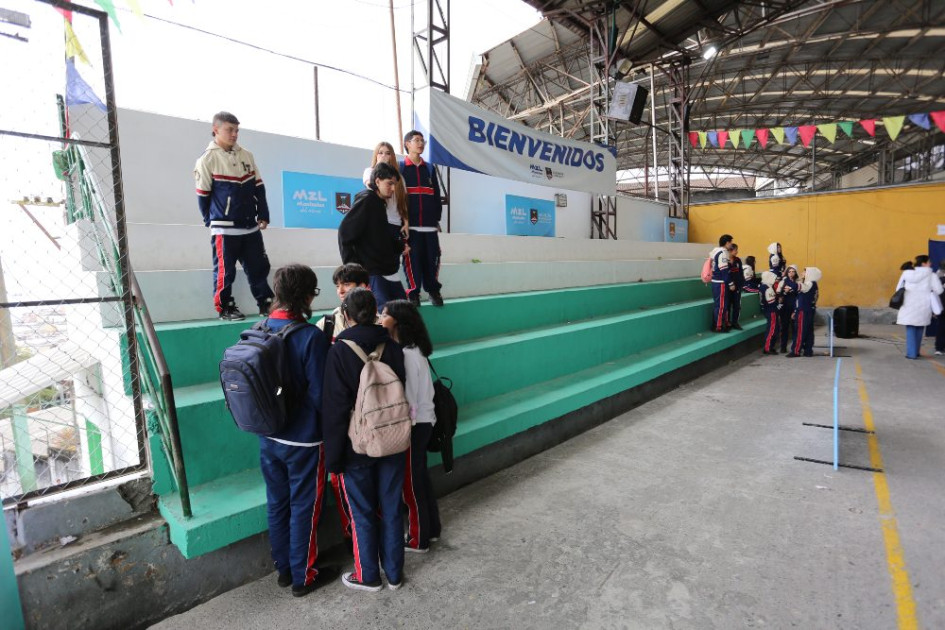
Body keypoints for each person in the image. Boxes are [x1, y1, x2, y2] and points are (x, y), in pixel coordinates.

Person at [256, 265, 339, 596]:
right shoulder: (310, 337)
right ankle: (304, 576)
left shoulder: (259, 328)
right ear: (307, 295)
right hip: (303, 440)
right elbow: (322, 395)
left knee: (277, 502)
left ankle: (285, 568)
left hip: (267, 434)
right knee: (305, 504)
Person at [323, 288, 408, 592]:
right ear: (374, 313)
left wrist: (333, 459)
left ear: (345, 315)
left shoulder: (339, 351)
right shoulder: (394, 348)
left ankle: (368, 575)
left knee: (362, 512)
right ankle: (395, 574)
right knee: (391, 507)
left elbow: (333, 410)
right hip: (393, 440)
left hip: (355, 446)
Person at [194, 111, 274, 320]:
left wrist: (263, 213)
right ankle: (225, 307)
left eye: (236, 130)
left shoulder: (247, 155)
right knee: (224, 271)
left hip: (250, 226)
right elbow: (203, 195)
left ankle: (266, 303)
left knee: (259, 267)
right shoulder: (207, 159)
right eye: (230, 130)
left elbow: (259, 187)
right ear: (216, 130)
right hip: (224, 228)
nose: (234, 134)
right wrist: (210, 220)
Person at [314, 262, 371, 551]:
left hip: (373, 416)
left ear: (365, 287)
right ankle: (354, 536)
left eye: (347, 283)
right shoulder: (324, 325)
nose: (340, 289)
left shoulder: (381, 322)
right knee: (342, 480)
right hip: (341, 417)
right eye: (338, 284)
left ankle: (371, 537)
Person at [380, 300, 442, 554]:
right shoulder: (416, 349)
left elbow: (411, 398)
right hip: (425, 421)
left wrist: (407, 429)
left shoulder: (405, 354)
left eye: (384, 314)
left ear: (397, 321)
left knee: (411, 484)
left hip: (415, 425)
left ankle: (418, 538)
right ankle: (432, 528)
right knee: (421, 480)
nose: (380, 317)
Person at [338, 163, 409, 311]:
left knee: (404, 314)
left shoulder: (379, 203)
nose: (393, 188)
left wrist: (400, 246)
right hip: (373, 274)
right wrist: (353, 270)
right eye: (389, 183)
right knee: (382, 317)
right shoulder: (367, 200)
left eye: (394, 184)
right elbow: (345, 233)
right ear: (377, 181)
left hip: (388, 272)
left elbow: (380, 236)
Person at [400, 130, 445, 307]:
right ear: (407, 144)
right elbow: (399, 198)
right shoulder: (401, 168)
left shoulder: (430, 168)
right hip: (411, 228)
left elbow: (436, 196)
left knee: (432, 260)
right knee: (412, 262)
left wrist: (436, 218)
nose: (420, 143)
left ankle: (433, 292)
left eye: (422, 140)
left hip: (430, 227)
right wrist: (403, 221)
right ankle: (413, 294)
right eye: (416, 140)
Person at [895, 255, 944, 360]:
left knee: (910, 328)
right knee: (919, 328)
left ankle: (911, 353)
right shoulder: (931, 275)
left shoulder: (906, 273)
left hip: (908, 305)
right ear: (923, 263)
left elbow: (898, 289)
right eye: (929, 262)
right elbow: (939, 290)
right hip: (923, 305)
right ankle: (916, 352)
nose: (930, 263)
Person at [362, 142, 409, 240]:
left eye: (388, 153)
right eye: (380, 153)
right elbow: (372, 187)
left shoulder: (400, 178)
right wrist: (380, 167)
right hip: (377, 221)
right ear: (376, 155)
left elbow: (402, 203)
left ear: (392, 156)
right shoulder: (369, 171)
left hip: (395, 223)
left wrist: (406, 222)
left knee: (394, 255)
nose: (384, 156)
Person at [316, 263, 372, 343]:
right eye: (337, 286)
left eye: (346, 284)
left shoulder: (380, 323)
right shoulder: (327, 324)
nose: (340, 291)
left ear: (362, 287)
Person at [787, 267, 821, 358]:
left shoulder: (809, 283)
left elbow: (797, 287)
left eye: (805, 272)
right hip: (808, 309)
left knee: (800, 331)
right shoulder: (813, 284)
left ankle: (796, 350)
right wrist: (795, 310)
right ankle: (808, 350)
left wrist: (788, 280)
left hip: (804, 311)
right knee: (809, 331)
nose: (802, 273)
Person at [708, 234, 734, 332]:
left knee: (721, 304)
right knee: (721, 306)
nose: (731, 244)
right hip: (720, 283)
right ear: (727, 243)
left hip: (717, 282)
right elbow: (724, 271)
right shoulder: (722, 253)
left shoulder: (716, 252)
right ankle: (718, 326)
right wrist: (730, 283)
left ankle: (721, 323)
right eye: (730, 242)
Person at [778, 265, 799, 353]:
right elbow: (778, 293)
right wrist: (784, 292)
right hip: (785, 307)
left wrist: (791, 290)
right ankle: (783, 347)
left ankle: (795, 348)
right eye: (789, 271)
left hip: (794, 306)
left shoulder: (798, 282)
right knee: (785, 327)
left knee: (795, 328)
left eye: (793, 271)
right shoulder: (783, 281)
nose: (791, 273)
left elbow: (799, 293)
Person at [760, 270, 781, 354]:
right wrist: (778, 304)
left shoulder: (763, 286)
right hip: (771, 311)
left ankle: (769, 347)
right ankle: (768, 348)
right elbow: (771, 302)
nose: (774, 280)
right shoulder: (768, 288)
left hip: (767, 310)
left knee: (773, 329)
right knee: (772, 330)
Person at [727, 244, 745, 330]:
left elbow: (741, 273)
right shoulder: (725, 261)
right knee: (727, 306)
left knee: (737, 305)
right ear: (730, 250)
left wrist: (741, 284)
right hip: (728, 287)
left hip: (737, 287)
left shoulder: (738, 260)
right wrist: (730, 284)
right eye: (735, 250)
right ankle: (728, 323)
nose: (737, 252)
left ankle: (735, 322)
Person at [936, 261, 945, 356]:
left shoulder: (938, 277)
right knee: (941, 327)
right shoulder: (939, 278)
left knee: (941, 327)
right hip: (942, 306)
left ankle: (939, 348)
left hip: (940, 306)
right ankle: (939, 347)